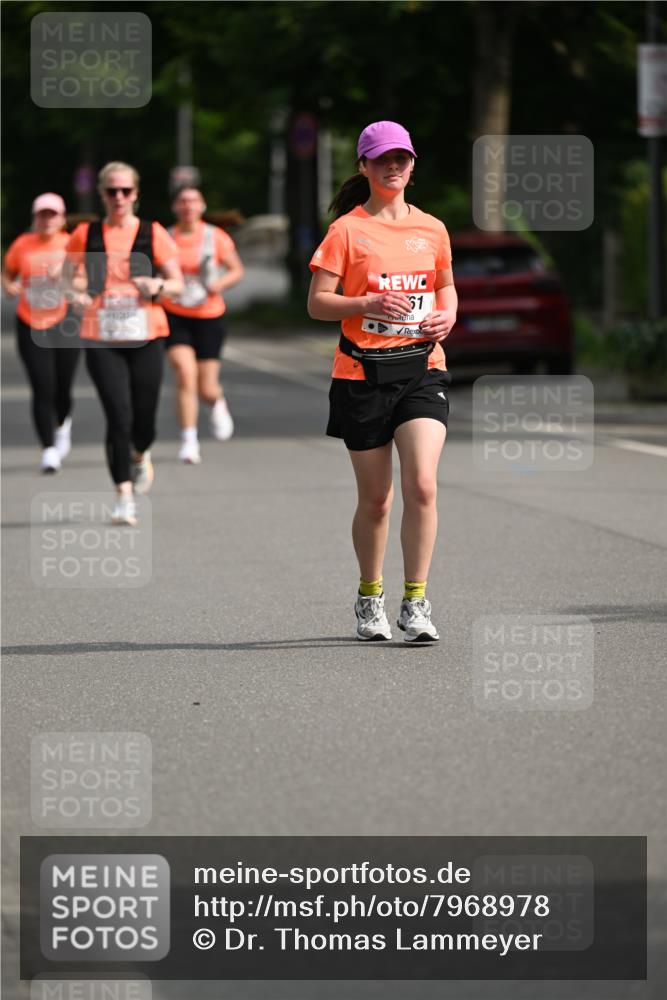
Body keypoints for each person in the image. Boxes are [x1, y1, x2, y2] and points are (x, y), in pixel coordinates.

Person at [307, 121, 457, 643]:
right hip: (361, 375)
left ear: (413, 165)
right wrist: (366, 302)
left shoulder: (433, 229)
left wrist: (448, 317)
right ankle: (370, 595)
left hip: (422, 368)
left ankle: (416, 601)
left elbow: (445, 288)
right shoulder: (346, 231)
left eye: (402, 158)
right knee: (376, 500)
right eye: (382, 159)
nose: (393, 166)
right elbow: (317, 303)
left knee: (422, 483)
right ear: (364, 167)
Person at [63, 162, 183, 525]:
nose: (118, 197)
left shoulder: (154, 232)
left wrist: (159, 286)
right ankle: (123, 496)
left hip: (145, 334)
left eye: (125, 191)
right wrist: (76, 295)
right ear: (101, 194)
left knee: (144, 420)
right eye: (111, 191)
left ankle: (139, 454)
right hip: (100, 336)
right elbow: (66, 280)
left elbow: (177, 283)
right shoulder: (85, 234)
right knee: (118, 416)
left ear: (136, 194)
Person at [161, 186, 244, 464]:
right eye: (182, 201)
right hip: (174, 314)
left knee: (206, 387)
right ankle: (189, 440)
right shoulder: (165, 237)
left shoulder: (215, 236)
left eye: (193, 201)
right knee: (185, 375)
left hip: (209, 316)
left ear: (202, 206)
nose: (188, 206)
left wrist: (218, 284)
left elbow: (236, 270)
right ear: (175, 206)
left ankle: (217, 403)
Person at [2, 193, 79, 473]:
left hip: (65, 321)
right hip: (30, 322)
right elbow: (8, 272)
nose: (47, 220)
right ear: (35, 217)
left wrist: (68, 276)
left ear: (61, 218)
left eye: (53, 215)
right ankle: (48, 449)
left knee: (63, 387)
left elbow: (86, 280)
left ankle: (62, 423)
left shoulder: (72, 244)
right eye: (42, 214)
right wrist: (8, 286)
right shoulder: (23, 244)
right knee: (41, 385)